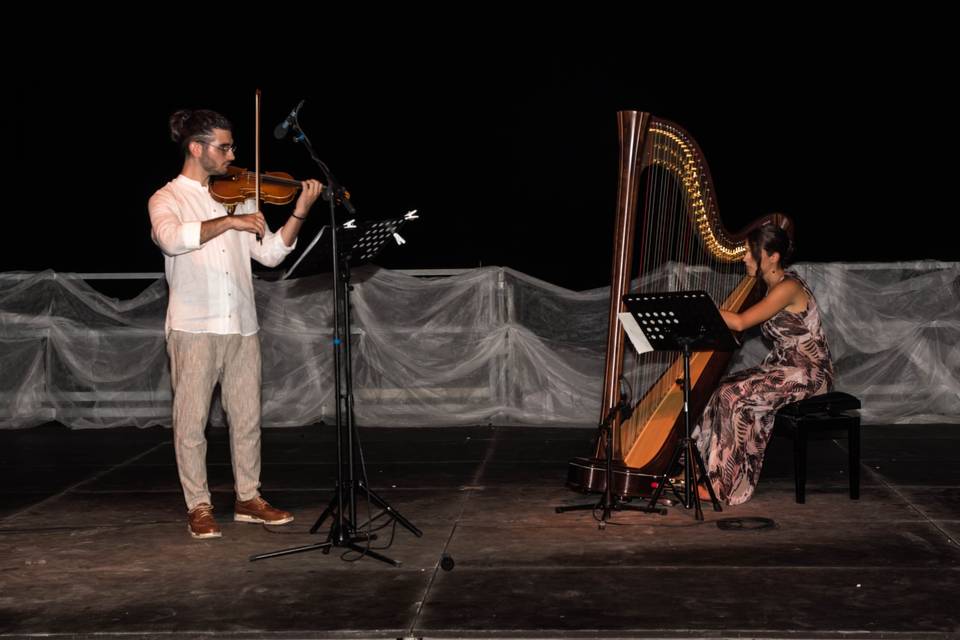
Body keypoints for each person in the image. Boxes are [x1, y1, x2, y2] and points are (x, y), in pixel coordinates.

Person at [149, 109, 323, 539]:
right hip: (194, 326)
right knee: (191, 424)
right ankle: (199, 505)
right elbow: (171, 239)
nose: (232, 154)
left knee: (246, 419)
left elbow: (269, 255)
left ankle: (249, 498)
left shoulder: (238, 195)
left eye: (231, 146)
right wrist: (228, 220)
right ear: (196, 148)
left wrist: (298, 211)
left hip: (242, 324)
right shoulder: (166, 198)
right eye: (224, 147)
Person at [694, 223, 833, 505]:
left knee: (732, 395)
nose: (744, 257)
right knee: (719, 386)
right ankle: (702, 470)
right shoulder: (771, 287)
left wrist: (697, 304)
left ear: (772, 257)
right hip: (783, 367)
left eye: (749, 252)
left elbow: (742, 322)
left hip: (809, 373)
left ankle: (726, 486)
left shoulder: (788, 287)